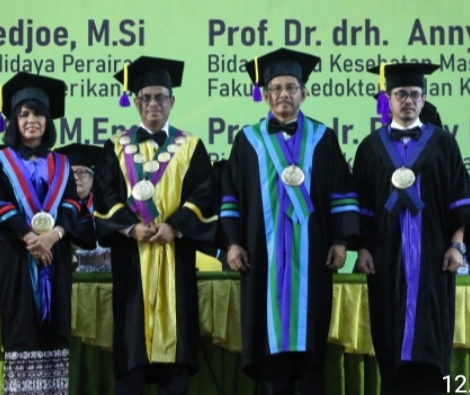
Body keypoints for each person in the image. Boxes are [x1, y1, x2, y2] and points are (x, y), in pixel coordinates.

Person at [220, 48, 360, 395]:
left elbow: (341, 192)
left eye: (291, 87)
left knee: (310, 346)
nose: (284, 94)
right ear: (266, 95)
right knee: (270, 355)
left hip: (313, 257)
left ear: (304, 93)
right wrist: (233, 243)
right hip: (261, 258)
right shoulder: (247, 141)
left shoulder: (323, 138)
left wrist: (341, 241)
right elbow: (230, 196)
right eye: (277, 88)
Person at [93, 56, 216, 395]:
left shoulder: (191, 147)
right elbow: (104, 193)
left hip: (176, 255)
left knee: (175, 360)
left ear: (172, 101)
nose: (153, 104)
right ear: (135, 102)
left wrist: (174, 226)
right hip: (132, 258)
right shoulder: (115, 147)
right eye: (146, 97)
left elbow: (204, 193)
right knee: (131, 349)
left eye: (160, 97)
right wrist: (130, 228)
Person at [354, 63, 470, 395]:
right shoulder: (370, 147)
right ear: (388, 99)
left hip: (434, 258)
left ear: (423, 99)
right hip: (387, 258)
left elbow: (460, 199)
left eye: (415, 95)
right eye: (401, 94)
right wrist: (362, 249)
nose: (408, 100)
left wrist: (457, 245)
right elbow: (362, 204)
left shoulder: (444, 144)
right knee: (390, 339)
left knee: (432, 339)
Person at [0, 72, 95, 395]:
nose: (32, 120)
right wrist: (30, 238)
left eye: (39, 114)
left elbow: (72, 204)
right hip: (16, 258)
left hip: (55, 257)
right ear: (14, 121)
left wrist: (52, 236)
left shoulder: (62, 163)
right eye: (24, 114)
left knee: (55, 330)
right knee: (20, 330)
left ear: (48, 120)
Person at [54, 142, 110, 272]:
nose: (75, 178)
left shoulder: (105, 207)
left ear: (93, 178)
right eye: (70, 173)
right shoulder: (54, 209)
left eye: (82, 172)